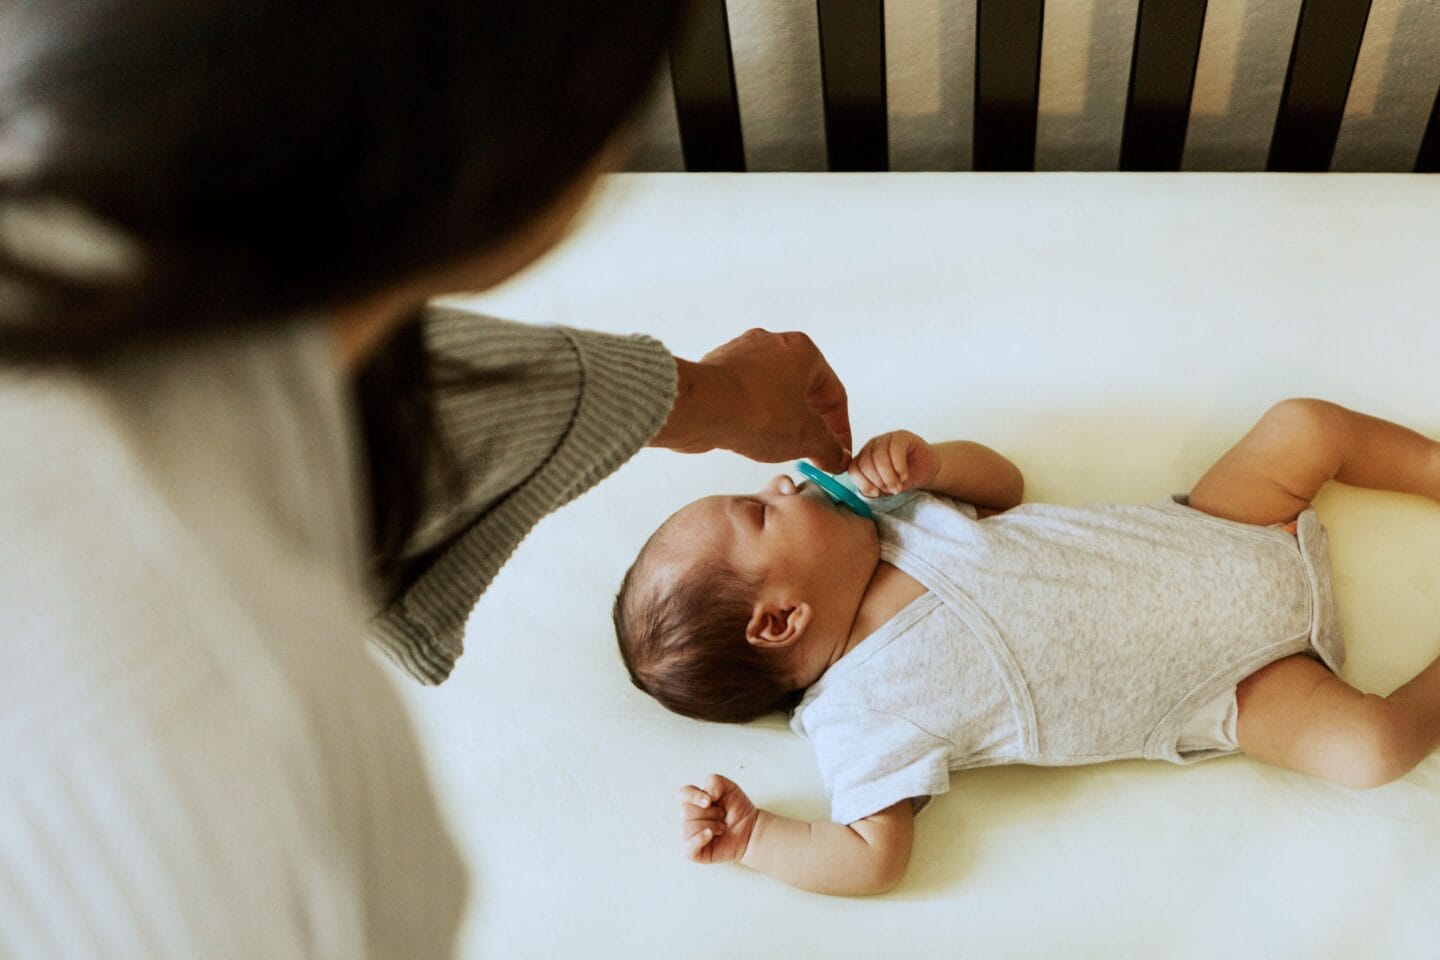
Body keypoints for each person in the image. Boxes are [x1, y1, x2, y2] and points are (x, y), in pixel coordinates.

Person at [0, 1, 853, 955]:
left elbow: (395, 379)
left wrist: (714, 396)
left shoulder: (116, 265)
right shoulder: (261, 791)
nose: (784, 491)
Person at [613, 398, 1440, 896]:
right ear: (779, 621)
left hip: (1220, 525)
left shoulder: (898, 521)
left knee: (1302, 425)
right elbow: (872, 858)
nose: (781, 483)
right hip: (1236, 688)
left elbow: (1004, 488)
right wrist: (758, 839)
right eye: (756, 513)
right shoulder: (858, 716)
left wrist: (934, 462)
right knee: (1372, 748)